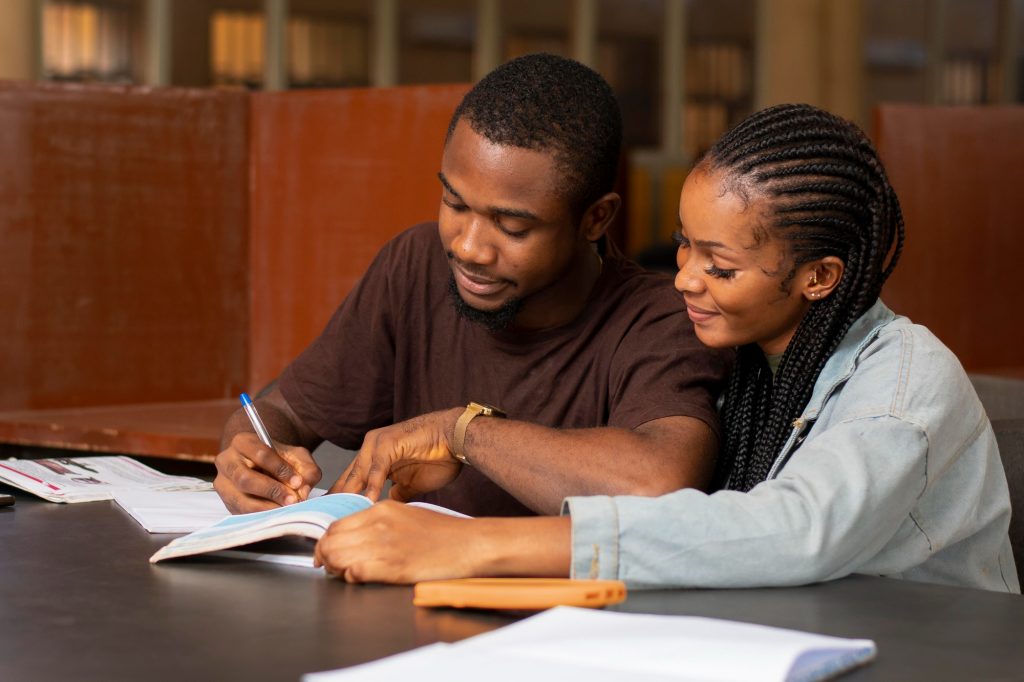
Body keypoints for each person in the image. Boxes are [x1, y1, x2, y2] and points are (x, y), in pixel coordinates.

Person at [313, 103, 1020, 594]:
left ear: (819, 277)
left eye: (720, 266)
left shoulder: (906, 385)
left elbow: (794, 530)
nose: (683, 277)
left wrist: (475, 546)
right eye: (684, 243)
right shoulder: (746, 357)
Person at [213, 53, 730, 518]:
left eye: (513, 227)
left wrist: (460, 432)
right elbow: (281, 410)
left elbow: (658, 486)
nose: (468, 248)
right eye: (455, 204)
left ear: (595, 219)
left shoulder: (662, 318)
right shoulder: (415, 265)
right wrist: (251, 456)